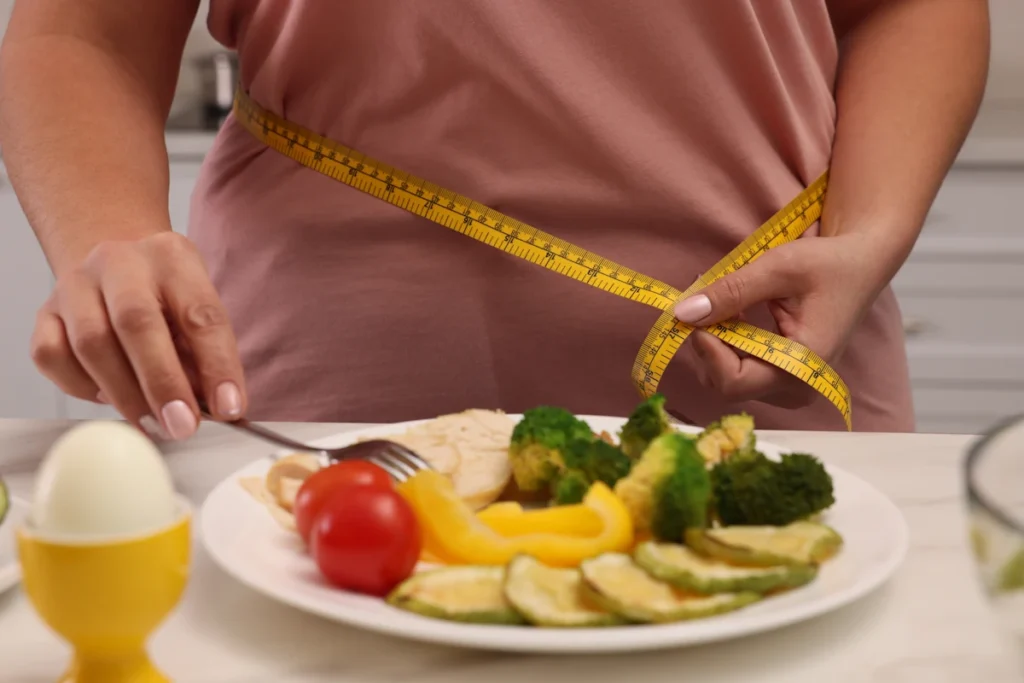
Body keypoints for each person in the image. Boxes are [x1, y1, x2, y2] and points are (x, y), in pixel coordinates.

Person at [0, 1, 989, 441]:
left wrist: (867, 232)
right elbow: (84, 30)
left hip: (768, 367)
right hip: (309, 406)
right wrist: (108, 231)